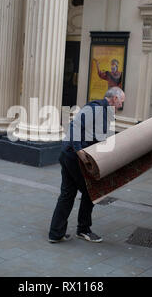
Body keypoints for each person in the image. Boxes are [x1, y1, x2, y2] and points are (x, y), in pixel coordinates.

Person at [48, 87, 125, 243]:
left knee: (68, 194)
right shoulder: (95, 108)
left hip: (69, 155)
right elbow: (75, 127)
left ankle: (56, 233)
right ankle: (83, 230)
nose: (121, 105)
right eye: (121, 101)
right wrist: (79, 151)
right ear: (114, 98)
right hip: (73, 156)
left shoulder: (106, 112)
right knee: (91, 191)